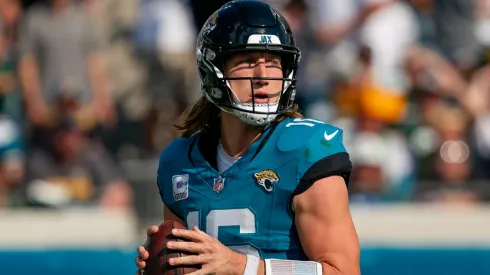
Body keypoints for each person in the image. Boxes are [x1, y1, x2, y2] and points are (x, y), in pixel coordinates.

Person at [135, 1, 360, 274]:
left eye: (274, 62)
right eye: (247, 61)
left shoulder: (306, 151)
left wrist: (241, 266)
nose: (263, 76)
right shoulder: (180, 161)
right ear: (214, 71)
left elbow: (343, 270)